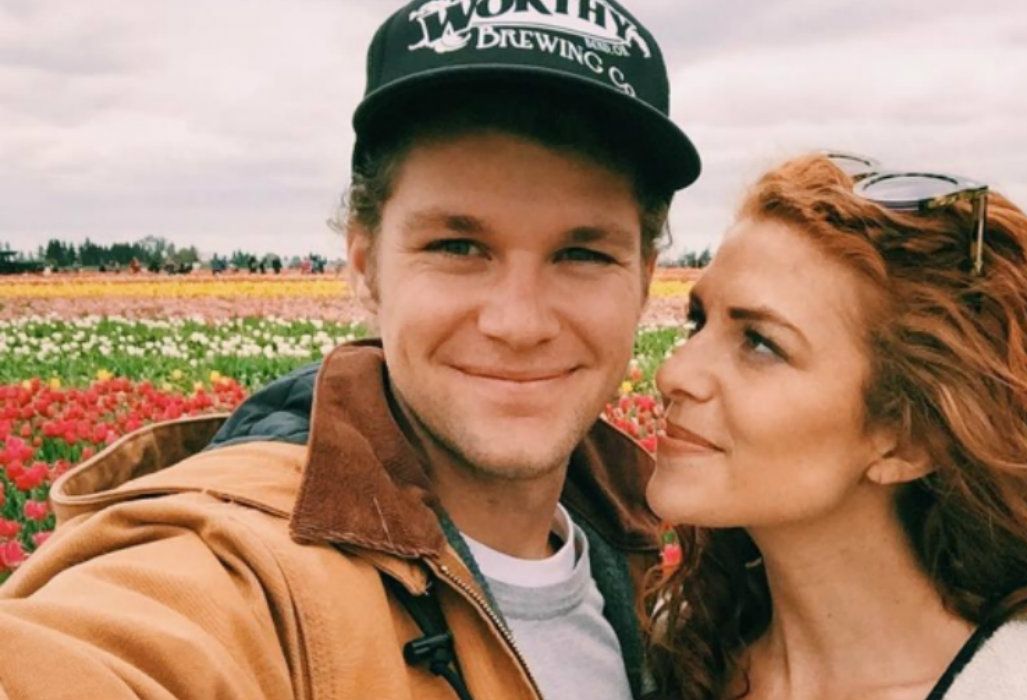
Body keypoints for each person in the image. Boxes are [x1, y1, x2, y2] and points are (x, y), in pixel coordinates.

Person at [0, 1, 698, 698]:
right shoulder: (245, 573)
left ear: (642, 279)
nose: (518, 323)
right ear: (365, 267)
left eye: (582, 252)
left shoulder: (661, 573)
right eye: (457, 247)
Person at [643, 154, 1027, 700]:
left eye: (761, 344)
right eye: (698, 321)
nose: (674, 372)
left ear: (908, 439)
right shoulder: (673, 652)